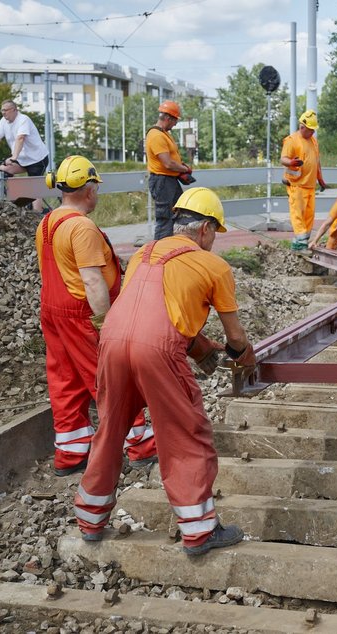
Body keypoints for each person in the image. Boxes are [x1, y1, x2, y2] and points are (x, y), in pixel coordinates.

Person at [74, 187, 255, 556]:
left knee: (110, 429)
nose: (214, 241)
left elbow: (150, 307)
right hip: (158, 350)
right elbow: (235, 336)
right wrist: (241, 357)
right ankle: (200, 531)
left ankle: (90, 520)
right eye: (215, 233)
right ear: (204, 228)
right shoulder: (213, 266)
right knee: (185, 433)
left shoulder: (144, 252)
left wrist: (197, 345)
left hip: (111, 340)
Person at [36, 156, 157, 476]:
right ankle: (141, 446)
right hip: (81, 315)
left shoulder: (47, 222)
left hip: (53, 313)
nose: (97, 194)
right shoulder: (82, 227)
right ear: (88, 190)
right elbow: (91, 280)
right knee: (112, 380)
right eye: (96, 187)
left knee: (65, 382)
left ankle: (71, 455)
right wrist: (106, 325)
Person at [0, 100, 50, 211]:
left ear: (15, 110)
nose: (3, 113)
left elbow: (20, 138)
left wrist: (14, 157)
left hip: (37, 159)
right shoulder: (3, 122)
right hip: (22, 160)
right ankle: (17, 202)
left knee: (35, 189)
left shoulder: (23, 120)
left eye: (6, 110)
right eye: (2, 110)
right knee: (4, 169)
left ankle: (39, 214)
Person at [146, 100, 194, 240]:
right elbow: (167, 164)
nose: (176, 124)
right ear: (167, 118)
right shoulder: (156, 136)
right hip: (162, 181)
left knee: (178, 212)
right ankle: (160, 253)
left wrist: (180, 167)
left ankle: (172, 246)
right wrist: (185, 169)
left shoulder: (164, 133)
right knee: (165, 218)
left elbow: (171, 160)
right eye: (175, 121)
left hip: (169, 180)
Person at [281, 110, 326, 251]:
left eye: (313, 130)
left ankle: (301, 242)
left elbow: (316, 162)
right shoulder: (292, 140)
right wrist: (290, 163)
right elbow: (283, 158)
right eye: (310, 130)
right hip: (297, 184)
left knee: (308, 216)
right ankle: (300, 245)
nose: (312, 133)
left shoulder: (313, 141)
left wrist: (320, 179)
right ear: (302, 127)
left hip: (310, 185)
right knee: (298, 215)